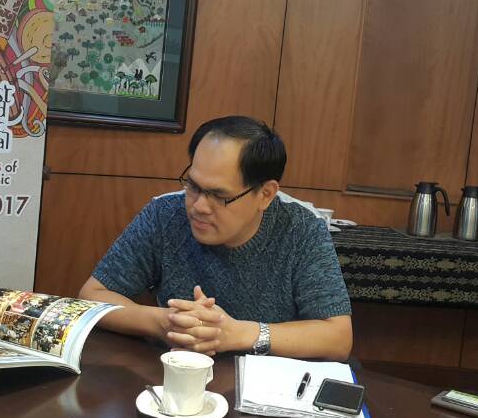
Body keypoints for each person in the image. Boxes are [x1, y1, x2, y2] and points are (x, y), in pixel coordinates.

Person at [78, 116, 353, 360]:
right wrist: (164, 322)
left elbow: (338, 337)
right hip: (177, 374)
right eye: (193, 186)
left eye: (219, 196)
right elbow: (92, 295)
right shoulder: (165, 214)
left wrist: (237, 334)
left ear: (265, 194)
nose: (198, 206)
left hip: (266, 393)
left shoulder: (301, 229)